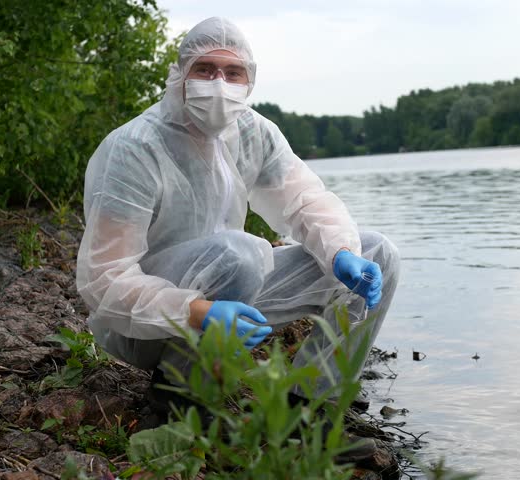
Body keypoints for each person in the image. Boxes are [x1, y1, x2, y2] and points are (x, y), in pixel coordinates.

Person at [76, 16, 400, 459]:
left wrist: (341, 252)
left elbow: (305, 200)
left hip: (232, 298)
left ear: (249, 80)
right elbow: (104, 281)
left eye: (233, 73)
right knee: (243, 250)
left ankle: (305, 412)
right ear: (180, 73)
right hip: (144, 324)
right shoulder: (136, 147)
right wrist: (196, 310)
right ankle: (179, 395)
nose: (219, 83)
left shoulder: (252, 132)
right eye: (205, 69)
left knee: (378, 250)